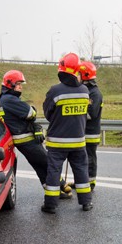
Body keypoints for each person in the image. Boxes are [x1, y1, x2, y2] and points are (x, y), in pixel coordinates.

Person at [42, 53, 93, 213]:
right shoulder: (85, 91)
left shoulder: (55, 91)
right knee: (81, 171)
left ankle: (50, 205)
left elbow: (47, 113)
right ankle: (86, 203)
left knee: (53, 172)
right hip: (78, 141)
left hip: (57, 142)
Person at [80, 61, 103, 190]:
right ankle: (84, 181)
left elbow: (91, 114)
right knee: (83, 158)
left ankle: (90, 182)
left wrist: (76, 116)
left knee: (89, 157)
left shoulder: (94, 93)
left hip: (90, 132)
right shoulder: (87, 91)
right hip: (84, 131)